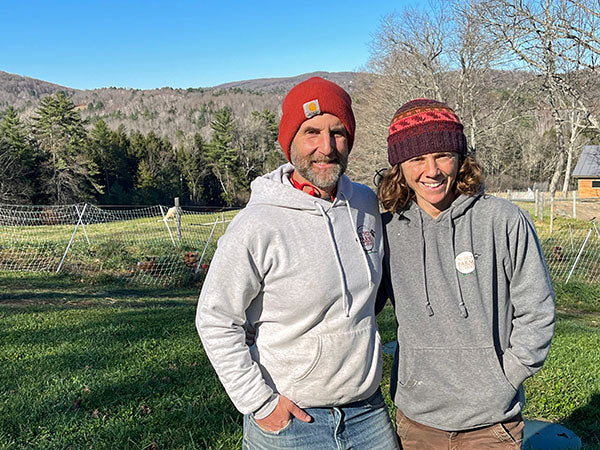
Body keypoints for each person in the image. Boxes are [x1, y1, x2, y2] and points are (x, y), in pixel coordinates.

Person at [196, 77, 398, 449]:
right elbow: (215, 318)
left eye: (338, 133)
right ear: (289, 142)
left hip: (368, 413)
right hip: (291, 422)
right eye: (311, 132)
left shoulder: (366, 205)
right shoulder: (257, 224)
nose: (326, 147)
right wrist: (259, 403)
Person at [376, 98, 556, 449]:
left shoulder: (503, 221)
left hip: (492, 425)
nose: (432, 170)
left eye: (443, 155)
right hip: (417, 422)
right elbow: (355, 308)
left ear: (461, 159)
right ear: (400, 166)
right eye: (417, 159)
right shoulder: (386, 232)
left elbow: (537, 309)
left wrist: (506, 378)